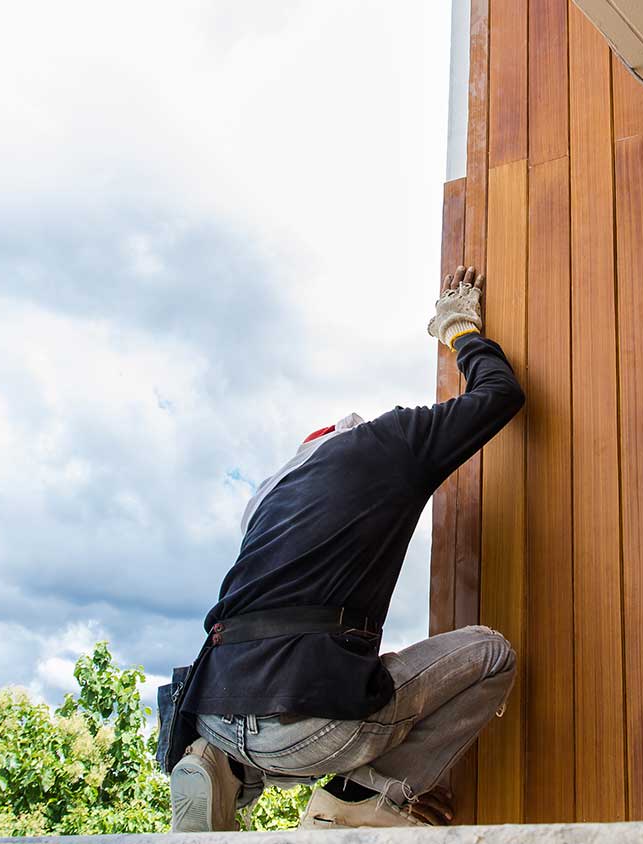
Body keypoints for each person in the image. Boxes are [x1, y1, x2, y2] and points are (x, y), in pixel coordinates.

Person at [162, 265, 523, 830]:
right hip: (309, 727)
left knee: (296, 681)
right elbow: (499, 394)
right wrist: (460, 330)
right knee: (489, 654)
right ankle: (363, 801)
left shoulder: (269, 500)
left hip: (211, 711)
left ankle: (219, 769)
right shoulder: (389, 440)